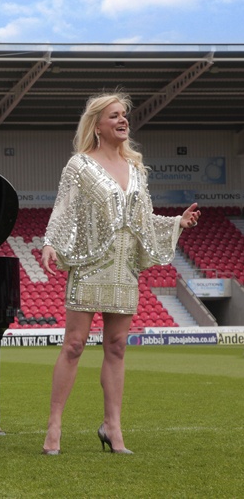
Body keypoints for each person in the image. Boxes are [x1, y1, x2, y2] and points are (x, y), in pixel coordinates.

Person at [39, 92, 201, 455]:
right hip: (89, 262)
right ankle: (54, 426)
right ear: (97, 125)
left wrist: (178, 222)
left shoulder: (138, 171)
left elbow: (143, 221)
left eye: (124, 115)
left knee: (116, 346)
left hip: (125, 266)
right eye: (114, 116)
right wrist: (51, 241)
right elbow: (63, 208)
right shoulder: (79, 166)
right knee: (74, 344)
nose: (122, 120)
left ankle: (113, 427)